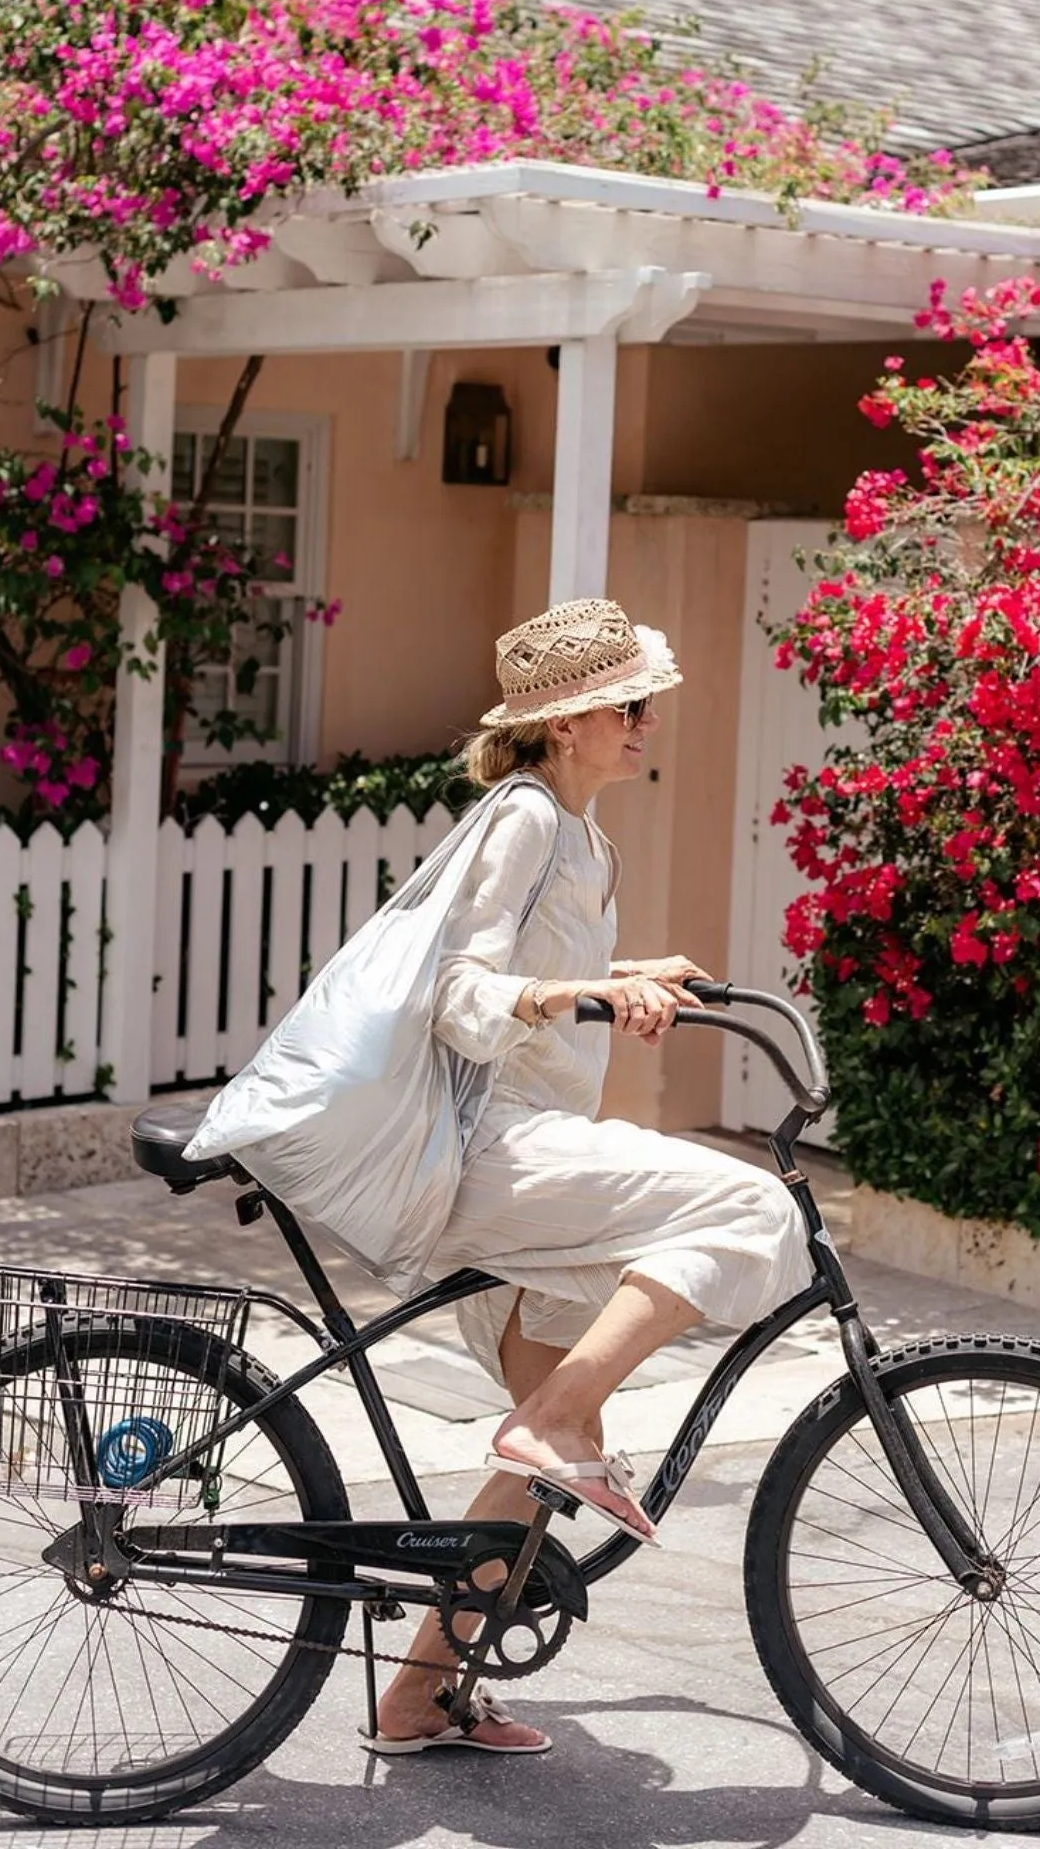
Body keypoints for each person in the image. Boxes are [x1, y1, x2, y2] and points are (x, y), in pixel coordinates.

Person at [364, 598, 813, 1757]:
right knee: (754, 1201)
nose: (645, 719)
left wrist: (618, 970)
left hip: (527, 1155)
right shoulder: (522, 819)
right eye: (627, 703)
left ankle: (415, 1697)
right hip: (498, 1151)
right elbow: (459, 995)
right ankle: (556, 1422)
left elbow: (530, 969)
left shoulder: (577, 833)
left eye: (643, 698)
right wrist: (587, 995)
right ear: (564, 724)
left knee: (535, 1482)